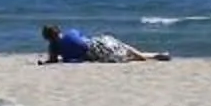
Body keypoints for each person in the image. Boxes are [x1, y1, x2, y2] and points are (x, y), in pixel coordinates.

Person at [41, 23, 171, 64]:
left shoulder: (54, 47)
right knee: (125, 48)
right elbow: (83, 38)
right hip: (99, 42)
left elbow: (53, 60)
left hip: (94, 53)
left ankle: (148, 57)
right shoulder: (72, 32)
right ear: (59, 30)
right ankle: (154, 55)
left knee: (127, 57)